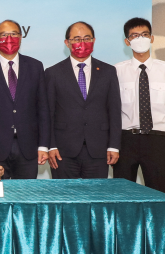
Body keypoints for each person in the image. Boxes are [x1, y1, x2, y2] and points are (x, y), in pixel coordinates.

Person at [0, 19, 50, 179]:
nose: (9, 39)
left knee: (26, 198)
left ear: (21, 37)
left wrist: (43, 146)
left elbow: (43, 110)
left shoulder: (35, 67)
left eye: (13, 34)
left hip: (28, 147)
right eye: (4, 35)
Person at [113, 17, 165, 193]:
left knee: (159, 192)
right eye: (135, 35)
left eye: (145, 34)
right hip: (125, 140)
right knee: (123, 194)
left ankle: (157, 222)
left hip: (156, 140)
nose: (140, 39)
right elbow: (111, 109)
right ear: (127, 41)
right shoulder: (116, 71)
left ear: (152, 38)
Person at [45, 21, 122, 179]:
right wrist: (50, 145)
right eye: (77, 39)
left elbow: (114, 110)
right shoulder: (53, 73)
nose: (82, 43)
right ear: (67, 43)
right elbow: (48, 113)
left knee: (96, 199)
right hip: (63, 151)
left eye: (87, 38)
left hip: (99, 149)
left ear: (93, 41)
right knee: (65, 200)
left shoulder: (108, 71)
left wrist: (114, 146)